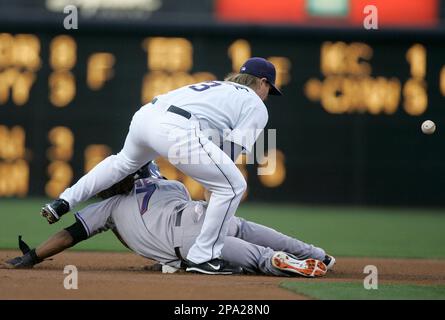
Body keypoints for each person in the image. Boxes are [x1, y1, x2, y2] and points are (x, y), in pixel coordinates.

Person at [40, 57, 283, 274]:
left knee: (122, 163)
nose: (266, 96)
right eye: (268, 90)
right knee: (233, 186)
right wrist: (216, 189)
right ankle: (203, 256)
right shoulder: (255, 104)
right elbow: (231, 153)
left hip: (146, 115)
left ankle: (62, 202)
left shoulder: (217, 87)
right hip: (175, 129)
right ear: (262, 82)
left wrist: (214, 178)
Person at [4, 162, 335, 277]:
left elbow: (69, 235)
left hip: (190, 244)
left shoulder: (110, 208)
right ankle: (317, 254)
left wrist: (33, 256)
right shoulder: (171, 183)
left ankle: (275, 261)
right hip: (204, 216)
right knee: (245, 227)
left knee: (258, 260)